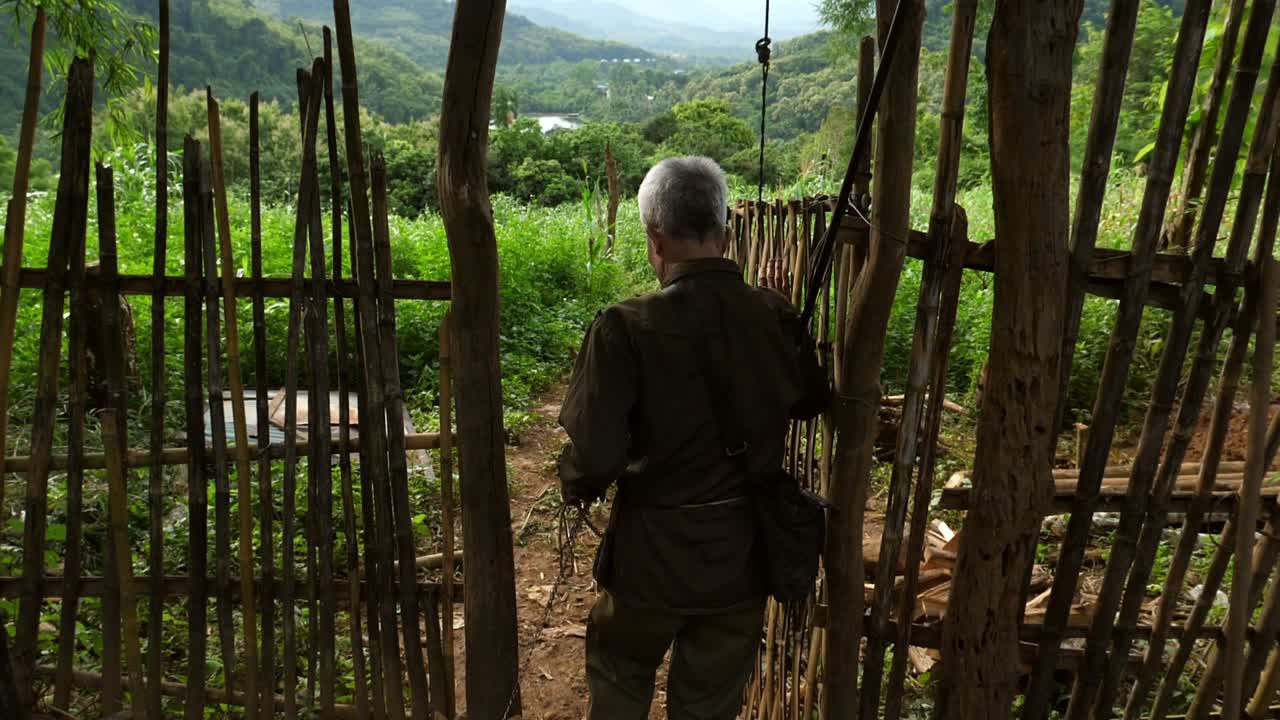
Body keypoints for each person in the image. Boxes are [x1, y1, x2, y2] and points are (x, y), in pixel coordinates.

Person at [558, 156, 829, 719]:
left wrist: (573, 485)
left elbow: (596, 457)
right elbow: (809, 400)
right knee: (709, 702)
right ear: (724, 233)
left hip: (649, 562)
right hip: (740, 559)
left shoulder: (624, 326)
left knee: (620, 673)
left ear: (655, 238)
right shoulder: (773, 315)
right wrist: (779, 316)